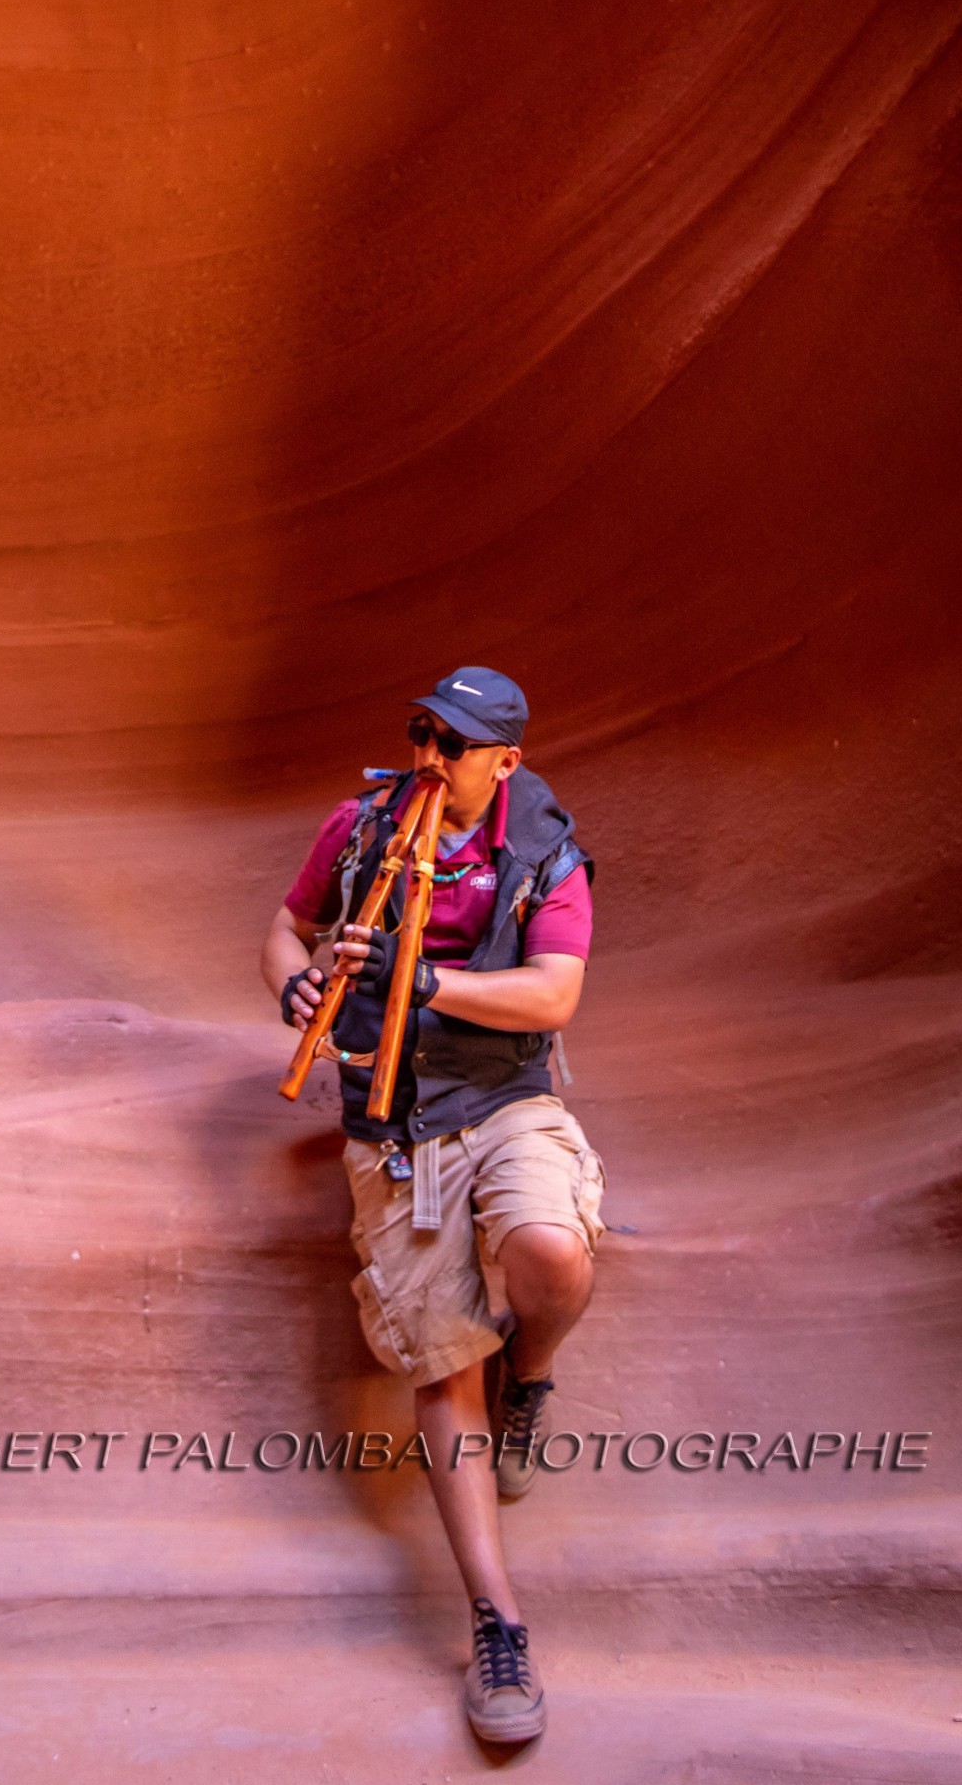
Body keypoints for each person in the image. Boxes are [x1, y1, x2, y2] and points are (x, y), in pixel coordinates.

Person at [261, 665, 603, 1746]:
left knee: (549, 1251)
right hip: (391, 1114)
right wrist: (296, 984)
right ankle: (497, 1620)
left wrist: (419, 983)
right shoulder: (364, 824)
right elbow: (283, 924)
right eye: (421, 732)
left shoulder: (543, 847)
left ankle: (533, 1369)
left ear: (505, 758)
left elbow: (553, 992)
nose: (428, 756)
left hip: (504, 1094)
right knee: (443, 1358)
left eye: (452, 743)